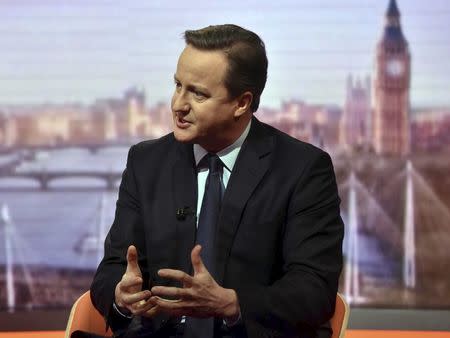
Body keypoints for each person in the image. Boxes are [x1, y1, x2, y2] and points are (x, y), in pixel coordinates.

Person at [90, 24, 344, 338]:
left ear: (242, 103)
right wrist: (121, 297)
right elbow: (110, 271)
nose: (178, 105)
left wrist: (231, 304)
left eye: (197, 93)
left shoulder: (303, 169)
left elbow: (314, 290)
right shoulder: (146, 162)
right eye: (178, 85)